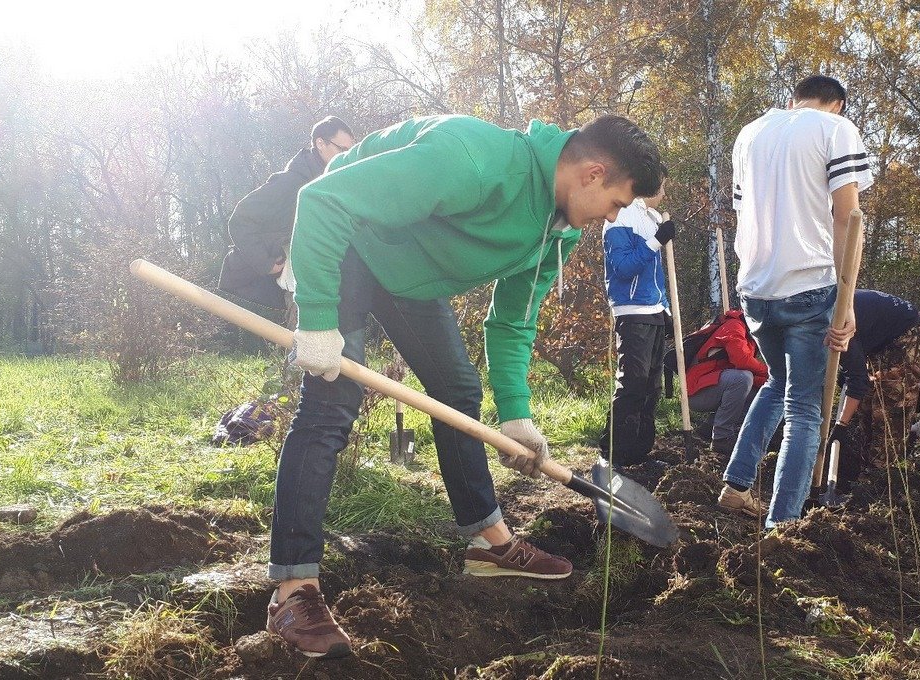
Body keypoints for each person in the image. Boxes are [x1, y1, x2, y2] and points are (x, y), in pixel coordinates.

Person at [267, 113, 665, 658]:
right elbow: (323, 200)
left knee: (457, 391)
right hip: (351, 242)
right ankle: (294, 589)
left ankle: (487, 541)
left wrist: (516, 414)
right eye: (616, 204)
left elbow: (512, 321)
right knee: (332, 402)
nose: (608, 218)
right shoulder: (474, 158)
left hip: (408, 272)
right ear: (592, 174)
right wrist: (316, 318)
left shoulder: (557, 231)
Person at [715, 75, 871, 525]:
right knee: (805, 407)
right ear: (837, 104)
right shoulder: (834, 130)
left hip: (756, 289)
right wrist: (847, 298)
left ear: (794, 98)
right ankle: (782, 526)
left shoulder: (750, 134)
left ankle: (736, 484)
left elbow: (745, 213)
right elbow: (848, 217)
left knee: (776, 385)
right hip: (808, 286)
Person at [218, 116, 356, 313]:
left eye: (351, 151)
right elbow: (240, 220)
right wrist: (265, 263)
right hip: (300, 296)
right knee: (305, 345)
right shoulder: (290, 183)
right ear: (320, 144)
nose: (347, 157)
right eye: (342, 150)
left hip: (331, 291)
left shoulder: (337, 183)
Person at [598, 186, 675, 467]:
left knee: (651, 387)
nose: (664, 192)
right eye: (662, 185)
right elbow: (622, 267)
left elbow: (656, 274)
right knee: (633, 383)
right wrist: (656, 241)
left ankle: (640, 453)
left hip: (653, 309)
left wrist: (665, 309)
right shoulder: (621, 216)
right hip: (631, 310)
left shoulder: (652, 217)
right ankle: (614, 454)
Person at [827, 290, 920, 491]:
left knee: (889, 413)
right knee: (867, 408)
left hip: (904, 333)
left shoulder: (836, 328)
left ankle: (880, 485)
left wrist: (841, 426)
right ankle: (864, 476)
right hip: (876, 338)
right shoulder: (813, 324)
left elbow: (857, 381)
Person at [685, 309, 768, 457]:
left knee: (760, 390)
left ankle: (710, 426)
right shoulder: (734, 326)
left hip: (713, 385)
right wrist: (770, 372)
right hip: (696, 392)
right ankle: (722, 438)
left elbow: (741, 371)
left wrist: (770, 381)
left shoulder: (748, 335)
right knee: (742, 379)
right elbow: (741, 360)